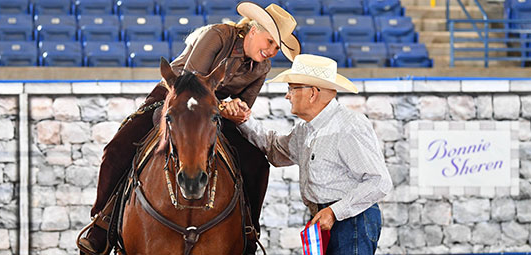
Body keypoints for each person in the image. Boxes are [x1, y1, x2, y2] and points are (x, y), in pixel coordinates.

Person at [77, 2, 301, 255]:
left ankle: (248, 231)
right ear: (252, 30)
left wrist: (238, 110)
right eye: (270, 41)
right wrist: (224, 105)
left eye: (277, 47)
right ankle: (101, 224)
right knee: (117, 148)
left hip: (214, 114)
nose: (272, 51)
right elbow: (189, 84)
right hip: (174, 97)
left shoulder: (262, 68)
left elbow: (244, 106)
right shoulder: (217, 35)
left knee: (257, 163)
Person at [223, 54, 393, 254]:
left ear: (312, 93)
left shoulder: (349, 126)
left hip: (351, 220)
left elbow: (379, 182)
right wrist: (243, 120)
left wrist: (333, 212)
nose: (287, 96)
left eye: (292, 89)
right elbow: (275, 150)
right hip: (329, 217)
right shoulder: (305, 130)